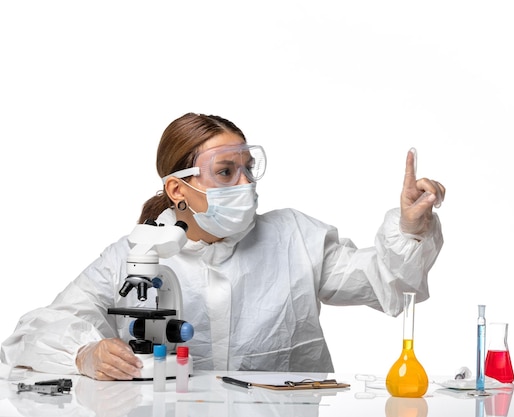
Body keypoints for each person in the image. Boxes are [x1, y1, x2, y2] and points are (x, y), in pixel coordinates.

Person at [1, 113, 445, 381]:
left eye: (248, 169)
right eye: (226, 171)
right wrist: (84, 353)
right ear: (178, 190)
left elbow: (389, 283)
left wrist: (409, 227)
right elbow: (33, 332)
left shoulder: (294, 237)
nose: (246, 184)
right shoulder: (134, 255)